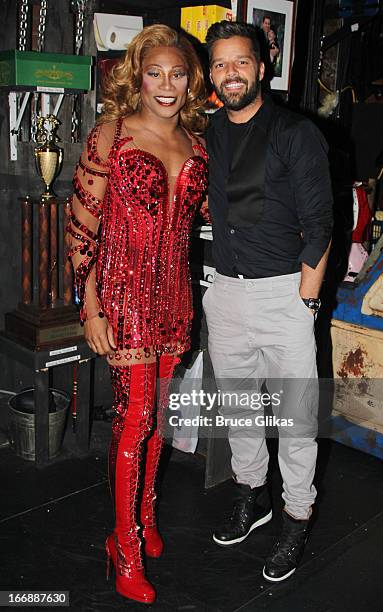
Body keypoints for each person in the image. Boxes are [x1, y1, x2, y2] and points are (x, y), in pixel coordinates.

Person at [68, 24, 208, 604]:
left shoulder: (199, 144)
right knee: (133, 421)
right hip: (122, 298)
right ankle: (121, 545)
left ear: (190, 79)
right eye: (156, 73)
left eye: (178, 73)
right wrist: (90, 306)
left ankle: (144, 518)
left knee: (157, 425)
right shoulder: (113, 134)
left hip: (175, 297)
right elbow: (82, 224)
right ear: (137, 76)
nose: (167, 85)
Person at [204, 21, 333, 582]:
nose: (230, 74)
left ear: (261, 68)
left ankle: (296, 515)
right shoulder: (206, 131)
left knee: (298, 418)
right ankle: (251, 495)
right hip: (225, 293)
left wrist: (305, 302)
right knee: (238, 409)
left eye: (241, 62)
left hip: (285, 294)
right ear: (211, 75)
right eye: (220, 65)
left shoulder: (294, 132)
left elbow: (320, 225)